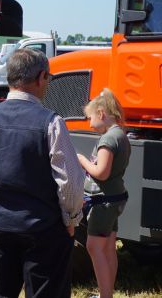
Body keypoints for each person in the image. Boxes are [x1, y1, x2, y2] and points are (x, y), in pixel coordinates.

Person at [0, 48, 84, 298]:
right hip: (43, 230)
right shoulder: (51, 122)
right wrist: (71, 219)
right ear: (41, 78)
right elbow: (70, 181)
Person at [77, 89, 131, 298]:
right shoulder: (121, 135)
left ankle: (105, 294)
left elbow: (101, 172)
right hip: (116, 198)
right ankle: (106, 293)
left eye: (90, 118)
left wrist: (82, 160)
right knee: (108, 247)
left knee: (94, 247)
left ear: (101, 113)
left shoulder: (108, 139)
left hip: (104, 201)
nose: (90, 124)